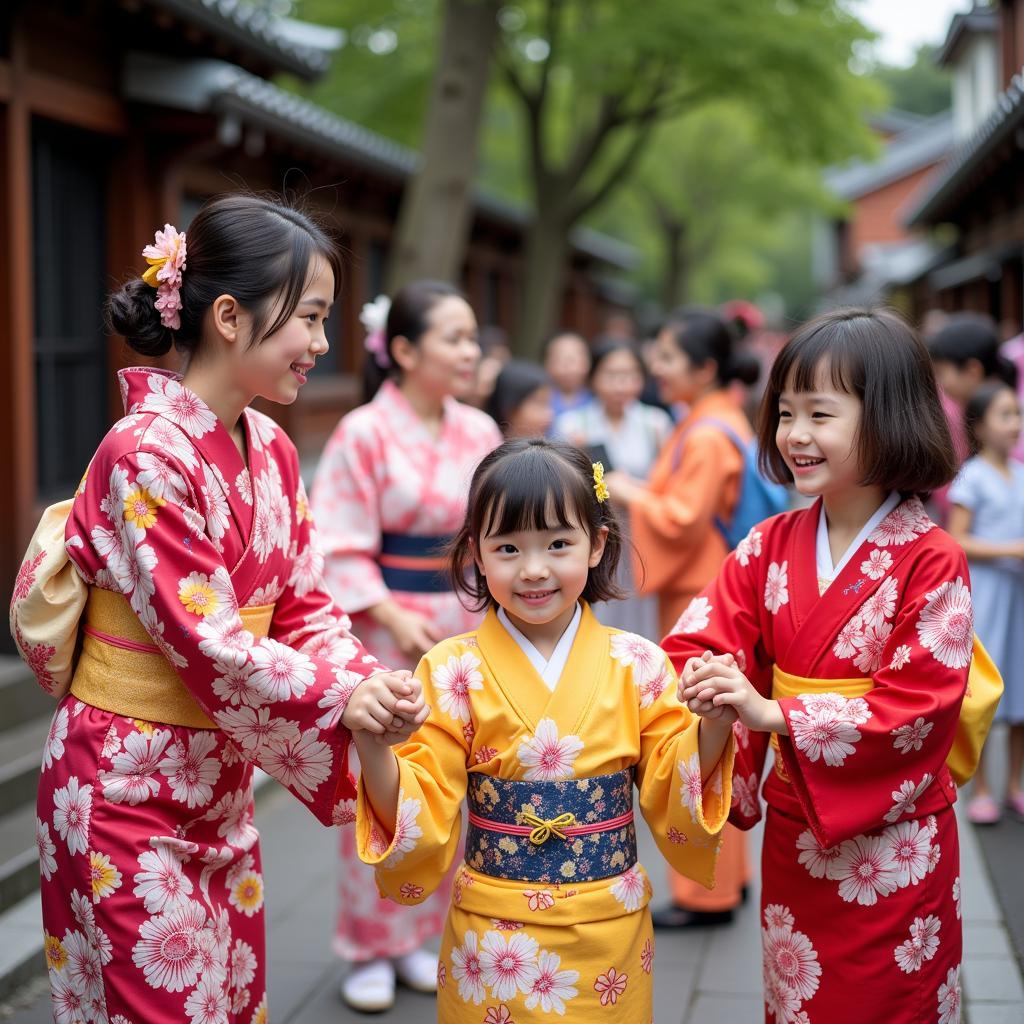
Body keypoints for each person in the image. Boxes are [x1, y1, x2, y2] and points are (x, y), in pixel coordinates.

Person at [10, 194, 427, 1024]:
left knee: (233, 1005)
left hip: (216, 787)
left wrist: (366, 684)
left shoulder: (270, 446)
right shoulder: (144, 452)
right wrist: (339, 698)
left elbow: (306, 600)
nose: (320, 344)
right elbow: (208, 640)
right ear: (231, 316)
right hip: (122, 788)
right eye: (309, 318)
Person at [351, 438, 735, 1021]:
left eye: (558, 543)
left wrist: (710, 727)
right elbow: (420, 801)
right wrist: (375, 747)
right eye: (508, 547)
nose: (534, 570)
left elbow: (670, 778)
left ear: (597, 543)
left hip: (610, 929)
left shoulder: (641, 665)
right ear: (476, 554)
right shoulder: (451, 669)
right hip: (493, 934)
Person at [674, 309, 969, 1023]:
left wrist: (773, 713)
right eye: (784, 413)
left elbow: (920, 706)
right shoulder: (770, 542)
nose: (795, 435)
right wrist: (710, 686)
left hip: (897, 847)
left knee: (891, 1004)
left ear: (889, 417)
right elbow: (699, 639)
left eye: (820, 414)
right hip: (796, 832)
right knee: (799, 1001)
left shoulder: (932, 558)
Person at [311, 280, 502, 1011]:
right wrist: (388, 613)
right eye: (454, 337)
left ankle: (425, 932)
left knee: (457, 779)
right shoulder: (364, 430)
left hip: (464, 623)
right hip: (386, 629)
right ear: (402, 350)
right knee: (380, 779)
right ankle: (369, 942)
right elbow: (339, 541)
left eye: (471, 338)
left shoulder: (479, 431)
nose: (468, 351)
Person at [604, 308, 757, 928]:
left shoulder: (707, 433)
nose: (656, 368)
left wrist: (627, 488)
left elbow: (680, 520)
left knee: (699, 735)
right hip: (709, 587)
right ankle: (730, 878)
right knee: (719, 732)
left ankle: (708, 892)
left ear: (705, 368)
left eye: (667, 357)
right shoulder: (711, 421)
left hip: (703, 596)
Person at [554, 340, 673, 637]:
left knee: (643, 605)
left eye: (629, 375)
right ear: (593, 377)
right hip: (592, 529)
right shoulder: (572, 424)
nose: (621, 384)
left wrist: (629, 490)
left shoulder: (655, 423)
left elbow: (668, 482)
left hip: (642, 530)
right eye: (611, 375)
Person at [947, 381, 1024, 825]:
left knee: (1019, 686)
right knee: (986, 688)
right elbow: (957, 538)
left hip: (1017, 595)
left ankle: (1014, 783)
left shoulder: (1020, 473)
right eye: (1005, 414)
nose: (1015, 424)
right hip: (989, 593)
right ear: (978, 427)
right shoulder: (971, 476)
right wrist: (1013, 550)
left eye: (1016, 413)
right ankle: (985, 787)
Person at [927, 313, 1017, 522]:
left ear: (972, 370)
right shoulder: (958, 407)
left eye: (941, 373)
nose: (939, 383)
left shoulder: (1006, 417)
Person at [487, 358, 553, 437]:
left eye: (548, 403)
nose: (549, 415)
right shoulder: (485, 445)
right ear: (510, 409)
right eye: (540, 404)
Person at [542, 330, 592, 419]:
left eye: (573, 360)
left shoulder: (598, 401)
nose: (567, 367)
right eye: (559, 359)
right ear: (546, 363)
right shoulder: (539, 402)